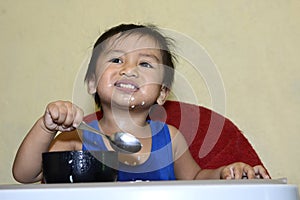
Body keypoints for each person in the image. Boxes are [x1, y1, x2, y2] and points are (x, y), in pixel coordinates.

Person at [12, 23, 269, 183]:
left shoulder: (170, 138)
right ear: (92, 82)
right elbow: (25, 175)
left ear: (161, 93)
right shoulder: (76, 137)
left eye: (145, 63)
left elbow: (195, 178)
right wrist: (46, 128)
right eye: (116, 60)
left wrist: (225, 173)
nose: (129, 69)